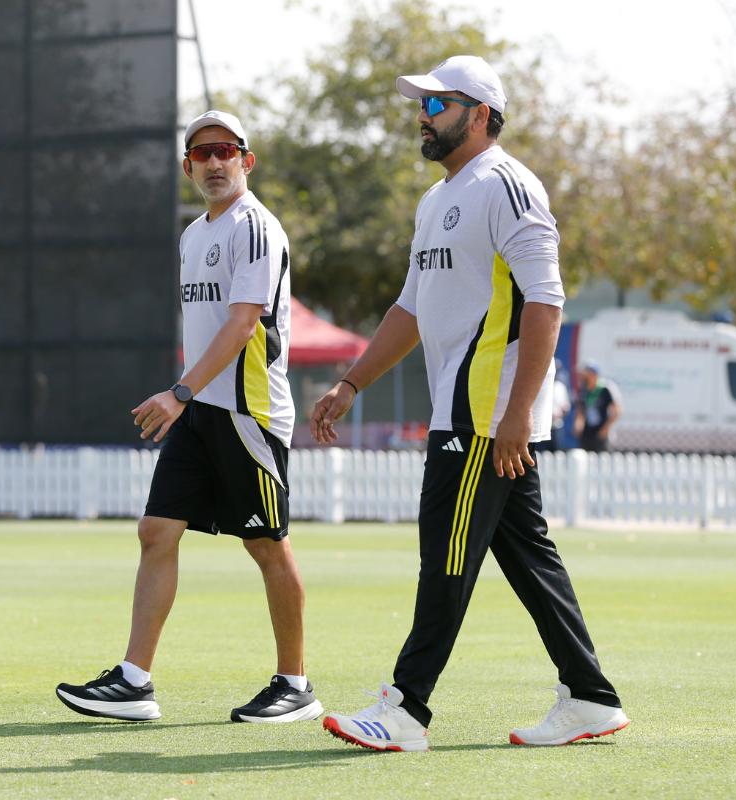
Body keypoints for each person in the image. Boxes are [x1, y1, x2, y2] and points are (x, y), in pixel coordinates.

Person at [308, 56, 628, 751]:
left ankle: (405, 710)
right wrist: (350, 382)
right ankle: (591, 697)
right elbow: (410, 308)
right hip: (474, 410)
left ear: (479, 113)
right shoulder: (437, 200)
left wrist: (516, 412)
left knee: (446, 559)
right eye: (421, 106)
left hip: (485, 415)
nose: (421, 117)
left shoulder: (507, 186)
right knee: (528, 557)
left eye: (436, 105)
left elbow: (547, 301)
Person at [56, 110, 322, 725]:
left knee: (266, 545)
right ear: (187, 167)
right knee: (156, 531)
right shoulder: (194, 235)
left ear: (246, 161)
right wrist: (188, 398)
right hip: (202, 411)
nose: (213, 162)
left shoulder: (256, 227)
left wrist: (178, 391)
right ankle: (134, 681)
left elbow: (243, 322)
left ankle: (296, 685)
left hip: (248, 413)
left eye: (225, 150)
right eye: (201, 153)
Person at [573, 361, 622, 452]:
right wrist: (578, 424)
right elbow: (581, 410)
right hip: (587, 433)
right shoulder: (583, 390)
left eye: (585, 374)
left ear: (593, 374)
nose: (582, 377)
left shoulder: (606, 388)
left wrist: (606, 428)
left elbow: (617, 411)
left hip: (601, 432)